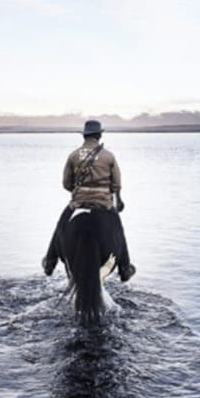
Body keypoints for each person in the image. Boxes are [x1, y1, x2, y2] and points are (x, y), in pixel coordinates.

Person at [42, 119, 136, 281]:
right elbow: (116, 184)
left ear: (84, 136)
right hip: (104, 202)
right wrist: (118, 200)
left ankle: (49, 263)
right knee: (118, 230)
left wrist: (79, 192)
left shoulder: (73, 155)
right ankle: (125, 268)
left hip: (78, 202)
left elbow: (66, 183)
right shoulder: (109, 156)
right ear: (99, 135)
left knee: (61, 225)